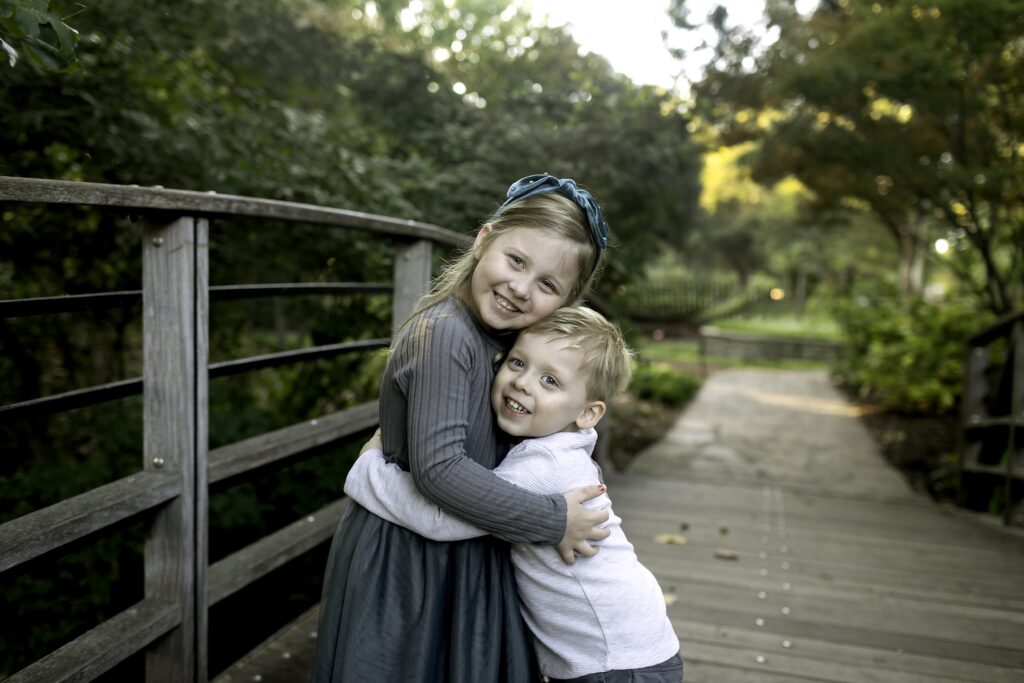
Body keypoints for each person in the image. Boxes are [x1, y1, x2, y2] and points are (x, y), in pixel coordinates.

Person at [312, 174, 616, 683]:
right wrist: (551, 521)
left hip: (463, 546)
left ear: (566, 301)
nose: (520, 288)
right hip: (409, 560)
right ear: (483, 240)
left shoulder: (508, 342)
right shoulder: (447, 333)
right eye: (516, 261)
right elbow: (440, 470)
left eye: (547, 284)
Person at [346, 306, 683, 683]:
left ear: (588, 414)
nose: (524, 383)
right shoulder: (562, 447)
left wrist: (368, 469)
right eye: (518, 363)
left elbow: (439, 520)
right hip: (630, 646)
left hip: (616, 663)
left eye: (550, 381)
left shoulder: (545, 467)